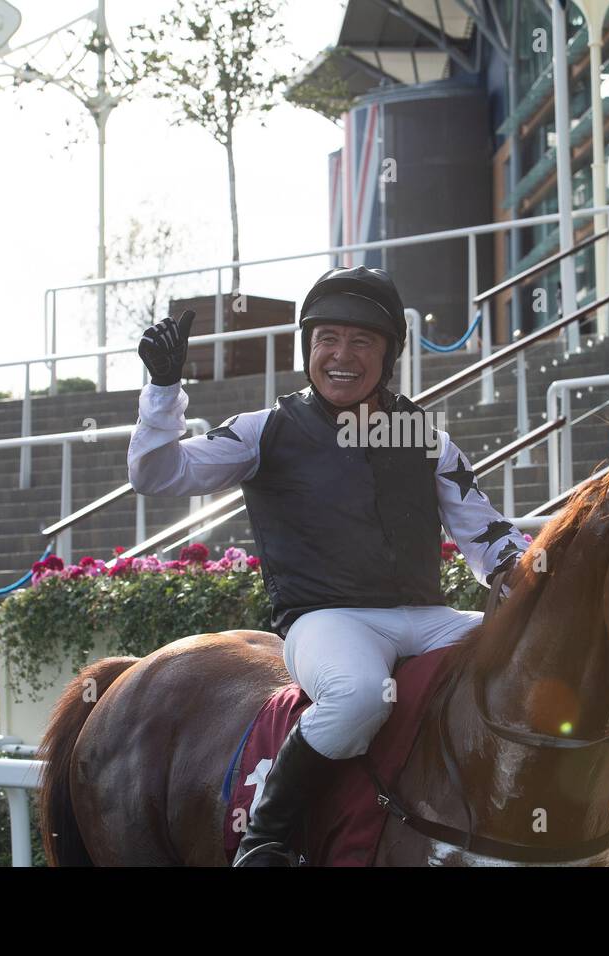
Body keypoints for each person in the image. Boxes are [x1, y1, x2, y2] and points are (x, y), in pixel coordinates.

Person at [128, 265, 527, 866]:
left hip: (426, 617)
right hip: (328, 622)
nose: (342, 355)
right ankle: (265, 836)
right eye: (327, 339)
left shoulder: (426, 437)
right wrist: (163, 390)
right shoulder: (263, 431)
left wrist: (533, 573)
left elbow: (487, 537)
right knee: (361, 696)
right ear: (308, 348)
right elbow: (156, 473)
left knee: (528, 658)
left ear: (388, 354)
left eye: (361, 341)